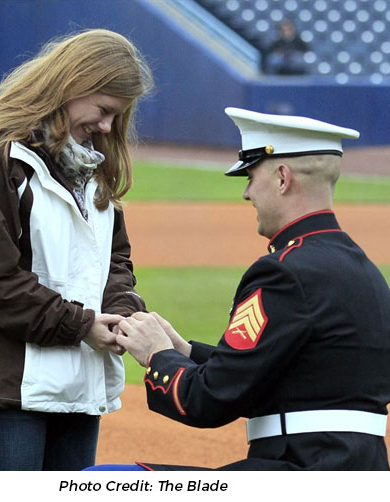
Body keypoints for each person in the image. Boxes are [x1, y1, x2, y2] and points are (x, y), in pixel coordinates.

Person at [88, 107, 390, 471]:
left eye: (250, 176)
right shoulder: (365, 271)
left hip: (302, 472)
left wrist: (156, 355)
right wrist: (183, 350)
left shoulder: (286, 273)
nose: (247, 193)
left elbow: (206, 401)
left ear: (282, 178)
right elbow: (283, 378)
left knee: (100, 482)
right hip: (360, 471)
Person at [0, 29, 153, 471]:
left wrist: (123, 313)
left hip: (78, 389)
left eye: (117, 117)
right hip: (8, 391)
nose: (107, 127)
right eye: (104, 110)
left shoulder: (93, 170)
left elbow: (114, 262)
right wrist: (81, 325)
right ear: (72, 84)